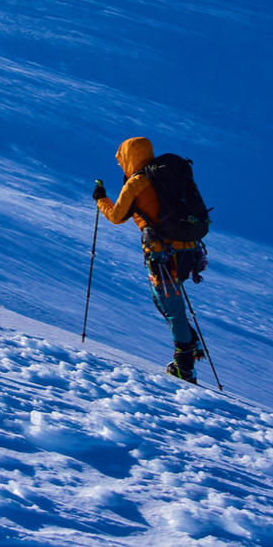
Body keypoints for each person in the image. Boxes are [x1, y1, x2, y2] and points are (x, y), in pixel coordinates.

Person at [92, 136, 207, 382]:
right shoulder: (171, 177)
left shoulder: (137, 182)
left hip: (161, 254)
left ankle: (185, 365)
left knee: (171, 307)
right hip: (188, 249)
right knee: (170, 303)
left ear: (127, 157)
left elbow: (116, 216)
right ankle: (189, 342)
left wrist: (100, 197)